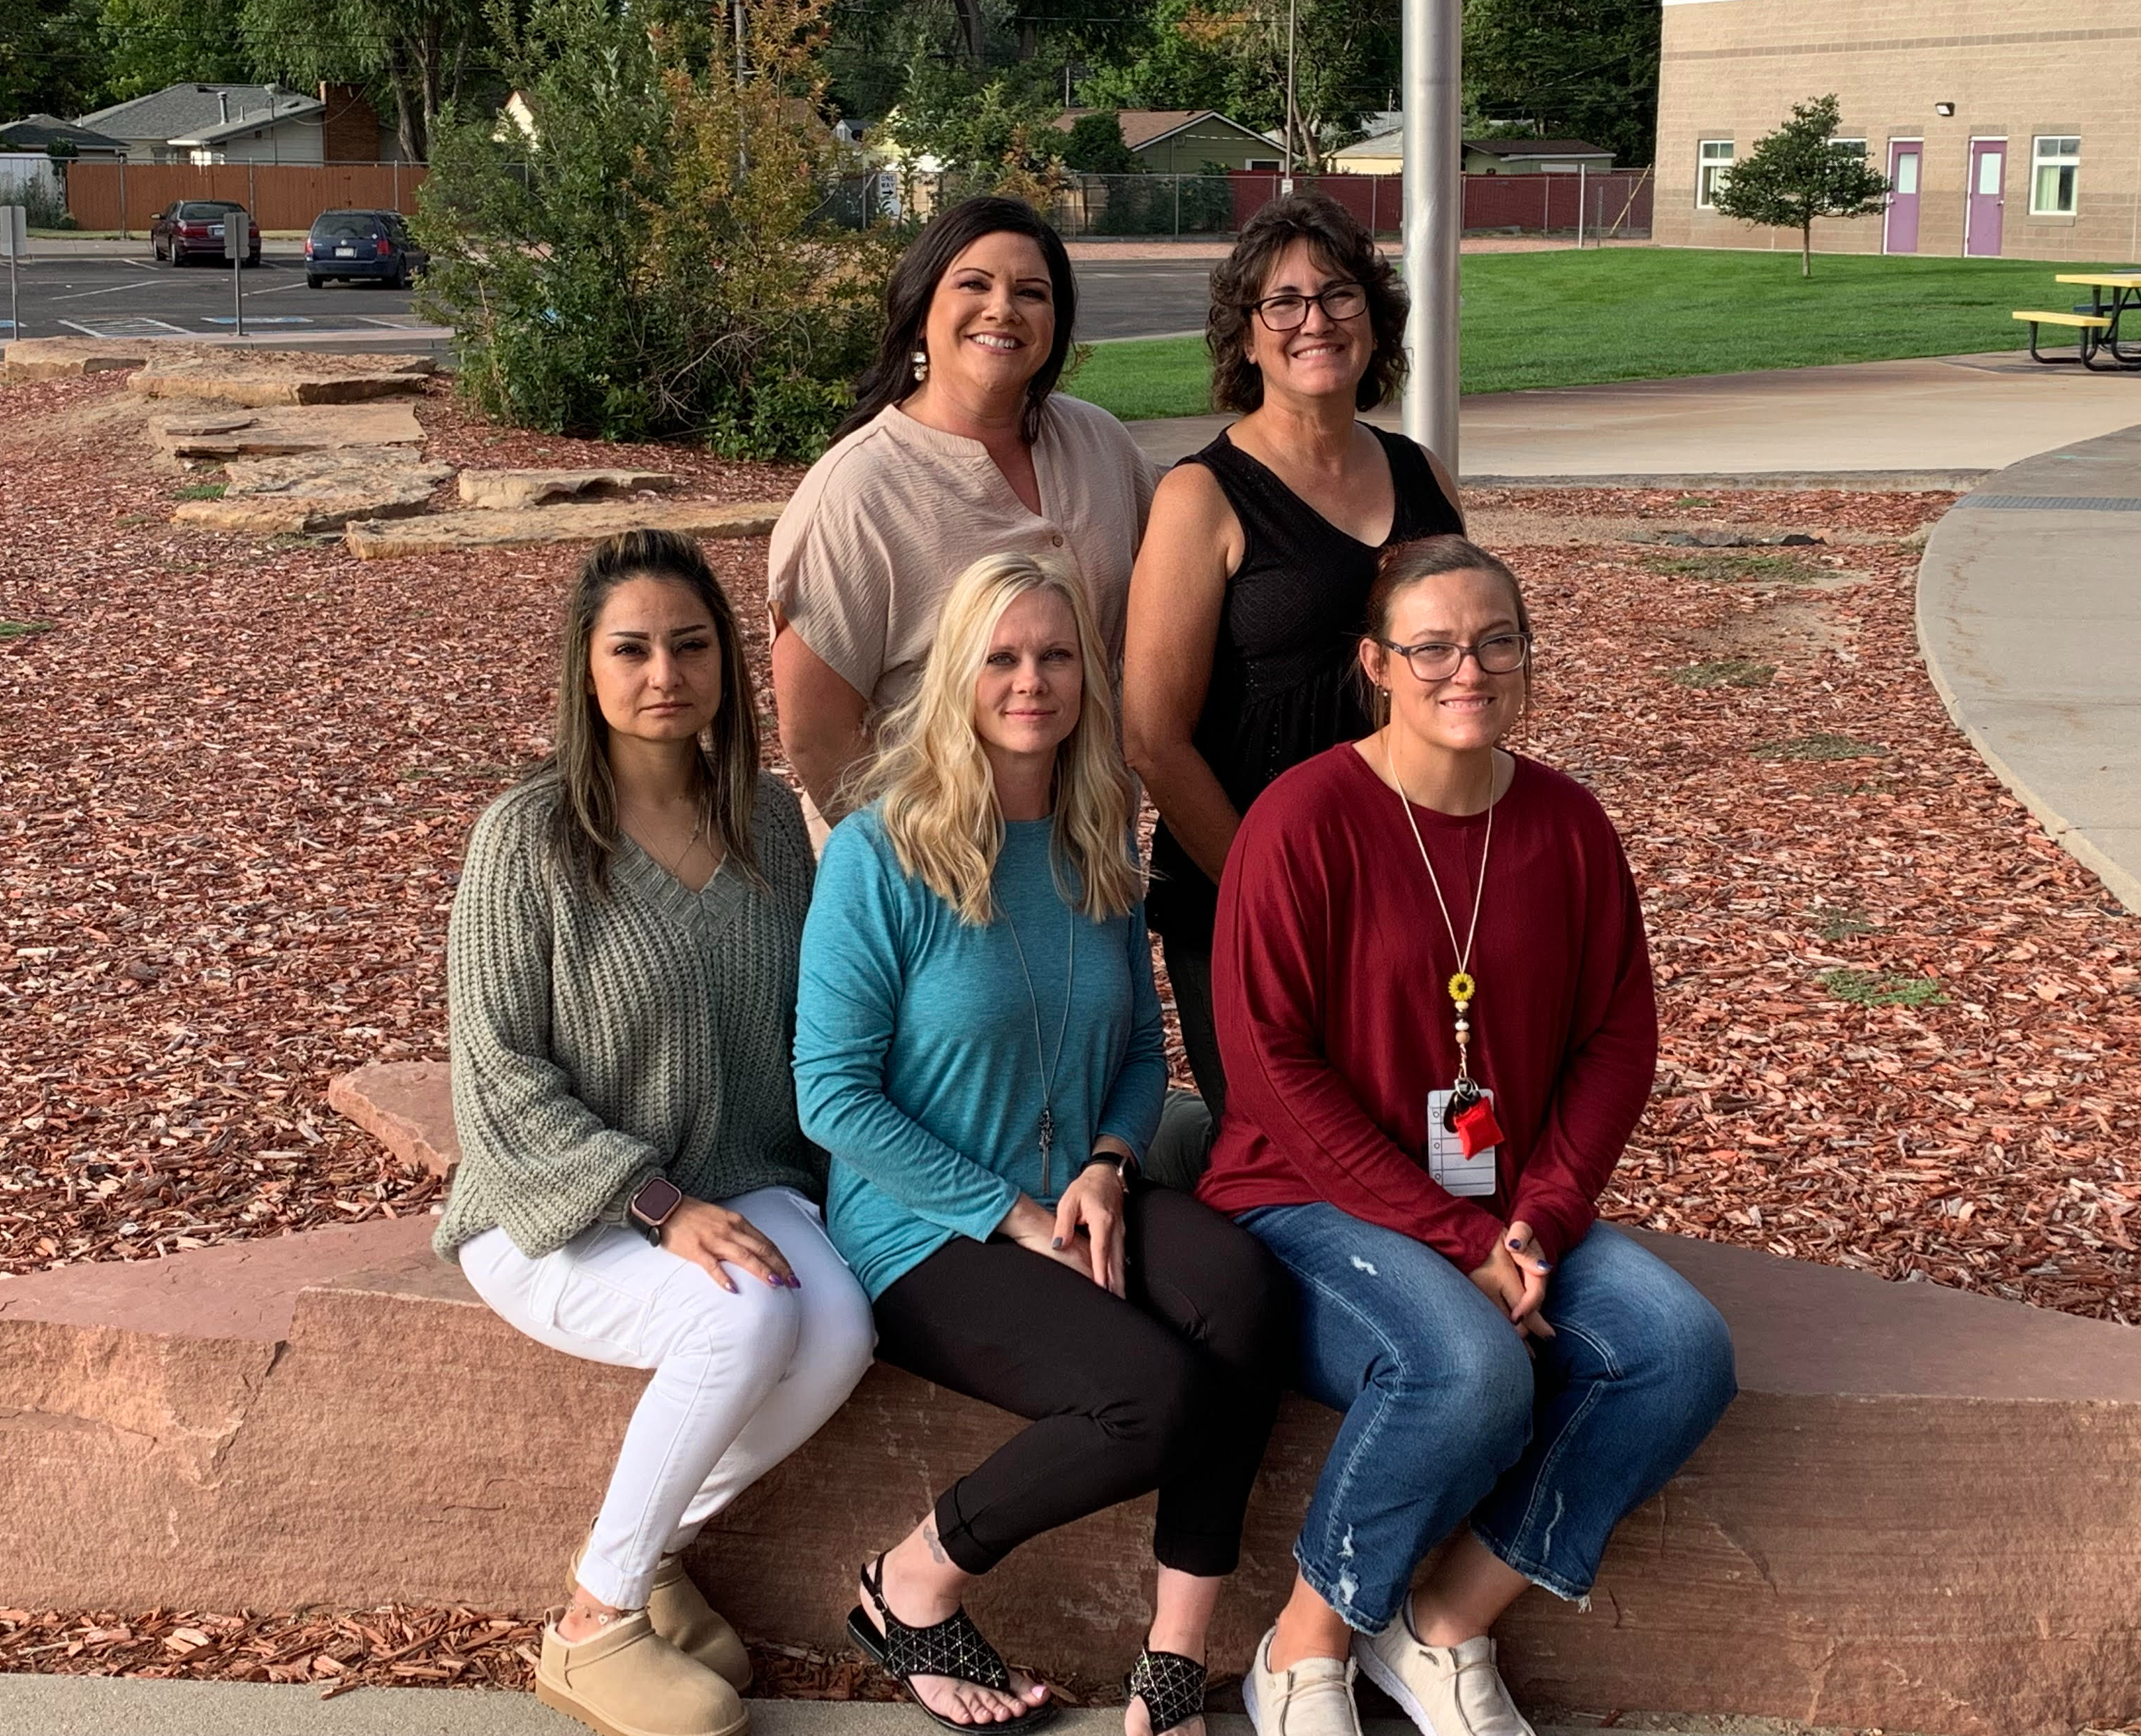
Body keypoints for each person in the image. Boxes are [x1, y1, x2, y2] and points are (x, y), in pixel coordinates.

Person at [1201, 536, 1737, 1736]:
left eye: (1496, 641)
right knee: (1469, 1369)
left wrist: (1536, 1221)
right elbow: (1269, 1067)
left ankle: (1442, 1625)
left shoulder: (1566, 824)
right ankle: (1301, 1646)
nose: (1468, 669)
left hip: (1506, 1209)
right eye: (1432, 646)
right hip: (1307, 1202)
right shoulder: (1302, 823)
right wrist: (1457, 1236)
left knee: (1675, 1349)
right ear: (1373, 663)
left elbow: (1616, 1040)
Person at [794, 552, 1291, 1736]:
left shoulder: (1095, 836)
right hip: (922, 1227)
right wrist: (1016, 1219)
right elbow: (830, 1096)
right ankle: (911, 1583)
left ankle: (1175, 1648)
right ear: (960, 674)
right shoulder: (882, 854)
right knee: (1150, 1392)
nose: (1033, 681)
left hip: (1074, 1189)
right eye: (1004, 657)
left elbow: (1135, 1054)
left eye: (1057, 656)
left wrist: (1112, 1166)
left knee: (1246, 1291)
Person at [435, 530, 876, 1736]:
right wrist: (657, 1207)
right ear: (586, 669)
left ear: (725, 668)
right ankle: (591, 1627)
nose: (662, 673)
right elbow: (496, 1083)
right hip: (553, 1209)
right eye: (629, 648)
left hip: (739, 1170)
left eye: (689, 646)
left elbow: (809, 1037)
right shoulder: (526, 841)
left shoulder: (771, 832)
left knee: (836, 1328)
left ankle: (644, 1547)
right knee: (747, 1315)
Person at [1123, 193, 1464, 1134]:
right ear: (1244, 337)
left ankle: (1477, 1265)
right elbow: (1150, 735)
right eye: (1282, 302)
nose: (1315, 320)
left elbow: (1458, 678)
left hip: (1410, 883)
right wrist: (1262, 896)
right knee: (1303, 1166)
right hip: (1255, 895)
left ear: (1375, 316)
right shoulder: (1201, 496)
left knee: (1440, 1138)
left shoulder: (1421, 475)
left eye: (1339, 294)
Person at [770, 195, 1156, 832]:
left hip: (1089, 854)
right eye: (974, 284)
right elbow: (817, 735)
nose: (1003, 308)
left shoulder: (1100, 444)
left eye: (1032, 292)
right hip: (927, 875)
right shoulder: (859, 488)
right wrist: (916, 869)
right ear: (922, 312)